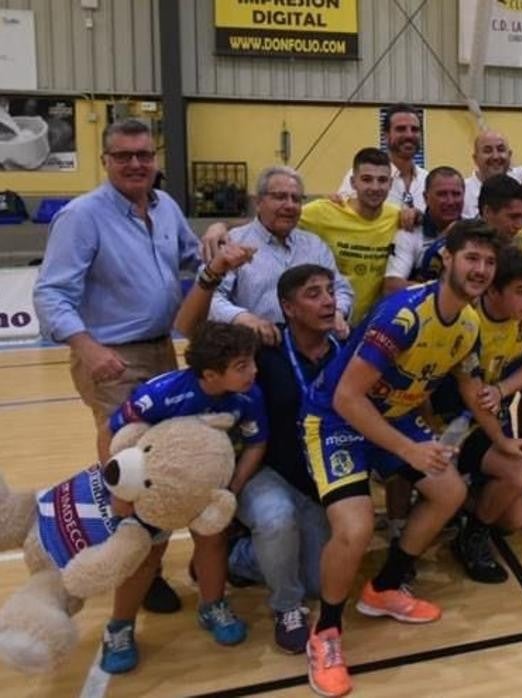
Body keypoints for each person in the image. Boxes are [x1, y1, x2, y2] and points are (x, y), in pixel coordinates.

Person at [301, 222, 500, 697]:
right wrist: (409, 448)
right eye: (472, 258)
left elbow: (471, 387)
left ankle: (385, 587)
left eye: (490, 262)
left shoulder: (469, 324)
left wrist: (482, 439)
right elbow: (349, 397)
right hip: (336, 420)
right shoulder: (403, 315)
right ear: (447, 258)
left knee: (450, 490)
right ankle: (325, 631)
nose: (481, 270)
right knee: (355, 527)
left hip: (397, 416)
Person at [32, 118, 202, 616]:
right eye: (124, 155)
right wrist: (86, 347)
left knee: (164, 466)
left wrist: (217, 238)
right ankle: (133, 573)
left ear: (155, 159)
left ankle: (145, 563)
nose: (135, 164)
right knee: (131, 474)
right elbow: (51, 292)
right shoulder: (82, 216)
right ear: (105, 160)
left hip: (160, 352)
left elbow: (193, 257)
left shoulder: (165, 207)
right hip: (109, 357)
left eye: (144, 155)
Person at [178, 261, 339, 654]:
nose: (328, 301)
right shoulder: (262, 351)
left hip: (316, 477)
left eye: (330, 291)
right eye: (313, 293)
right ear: (288, 307)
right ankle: (287, 607)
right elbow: (194, 335)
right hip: (265, 468)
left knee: (319, 581)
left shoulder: (344, 351)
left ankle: (238, 559)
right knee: (276, 520)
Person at [100, 322, 268, 672]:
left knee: (213, 541)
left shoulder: (250, 393)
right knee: (145, 554)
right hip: (157, 491)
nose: (253, 371)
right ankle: (119, 627)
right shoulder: (160, 394)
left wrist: (233, 485)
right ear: (210, 374)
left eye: (251, 361)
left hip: (208, 489)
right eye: (242, 366)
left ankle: (212, 606)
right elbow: (110, 432)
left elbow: (256, 442)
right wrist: (120, 491)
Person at [430, 246, 522, 582]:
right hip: (451, 419)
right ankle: (468, 531)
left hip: (490, 410)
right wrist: (500, 439)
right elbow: (470, 393)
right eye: (520, 292)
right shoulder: (468, 318)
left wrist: (503, 390)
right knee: (520, 469)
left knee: (515, 522)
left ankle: (467, 514)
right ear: (493, 291)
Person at [209, 166, 353, 341]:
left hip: (311, 353)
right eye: (280, 197)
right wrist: (243, 318)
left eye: (296, 199)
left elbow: (341, 288)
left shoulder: (315, 245)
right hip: (253, 349)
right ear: (258, 202)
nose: (290, 205)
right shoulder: (232, 243)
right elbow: (211, 296)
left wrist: (338, 312)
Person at [303, 148, 405, 324]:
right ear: (352, 182)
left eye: (382, 180)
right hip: (332, 322)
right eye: (366, 179)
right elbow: (277, 217)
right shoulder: (323, 212)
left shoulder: (398, 218)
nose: (375, 187)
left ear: (391, 183)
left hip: (374, 325)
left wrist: (415, 215)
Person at [384, 166, 466, 294]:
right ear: (425, 197)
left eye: (456, 194)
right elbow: (391, 286)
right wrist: (449, 293)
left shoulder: (474, 233)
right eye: (442, 194)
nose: (450, 201)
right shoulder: (409, 232)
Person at [337, 103, 428, 211]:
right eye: (401, 129)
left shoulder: (427, 179)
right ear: (386, 135)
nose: (409, 135)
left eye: (415, 129)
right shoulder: (363, 177)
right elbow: (342, 215)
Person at [463, 130, 522, 218]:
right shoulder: (463, 193)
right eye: (487, 151)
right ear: (475, 158)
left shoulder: (521, 188)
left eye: (501, 150)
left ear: (510, 155)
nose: (495, 156)